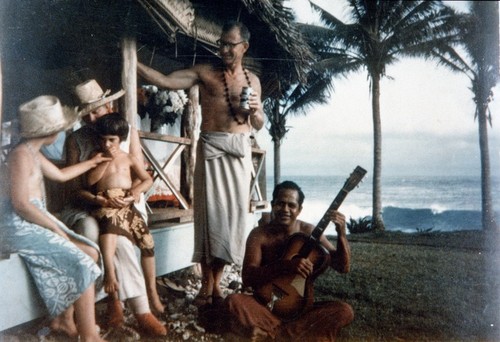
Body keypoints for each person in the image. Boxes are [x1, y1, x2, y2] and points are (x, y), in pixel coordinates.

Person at [137, 20, 265, 305]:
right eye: (221, 43)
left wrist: (256, 111)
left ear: (244, 47)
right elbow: (166, 81)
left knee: (230, 220)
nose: (224, 49)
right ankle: (206, 285)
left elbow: (258, 122)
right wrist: (134, 63)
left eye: (230, 44)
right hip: (211, 149)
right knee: (209, 218)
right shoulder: (205, 73)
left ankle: (216, 285)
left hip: (239, 152)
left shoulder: (252, 81)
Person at [0, 95, 110, 341]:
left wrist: (92, 163)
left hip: (32, 219)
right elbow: (20, 204)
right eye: (59, 129)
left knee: (90, 252)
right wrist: (55, 229)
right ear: (49, 132)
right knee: (81, 259)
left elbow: (60, 175)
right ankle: (89, 334)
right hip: (17, 226)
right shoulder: (19, 155)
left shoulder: (32, 151)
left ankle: (63, 319)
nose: (61, 132)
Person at [59, 79, 165, 315]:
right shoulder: (75, 140)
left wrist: (131, 195)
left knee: (124, 237)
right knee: (93, 232)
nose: (92, 120)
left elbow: (141, 175)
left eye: (96, 112)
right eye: (86, 116)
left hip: (125, 200)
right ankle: (123, 302)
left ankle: (141, 296)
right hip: (86, 204)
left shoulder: (126, 133)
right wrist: (99, 200)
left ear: (109, 107)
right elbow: (75, 189)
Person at [223, 181, 354, 341]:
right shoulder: (260, 234)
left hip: (300, 309)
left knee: (344, 311)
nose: (285, 210)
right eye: (280, 204)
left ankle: (272, 335)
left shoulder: (309, 232)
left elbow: (343, 267)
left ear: (299, 210)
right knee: (233, 301)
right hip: (265, 306)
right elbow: (248, 277)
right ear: (272, 205)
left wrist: (341, 234)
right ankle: (295, 335)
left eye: (291, 205)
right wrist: (285, 266)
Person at [86, 113, 167, 336]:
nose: (106, 144)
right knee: (113, 232)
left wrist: (134, 194)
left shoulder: (129, 158)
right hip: (106, 205)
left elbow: (147, 179)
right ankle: (135, 306)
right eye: (103, 139)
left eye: (111, 140)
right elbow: (90, 182)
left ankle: (147, 293)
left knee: (147, 242)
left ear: (121, 138)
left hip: (127, 205)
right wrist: (104, 160)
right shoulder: (97, 156)